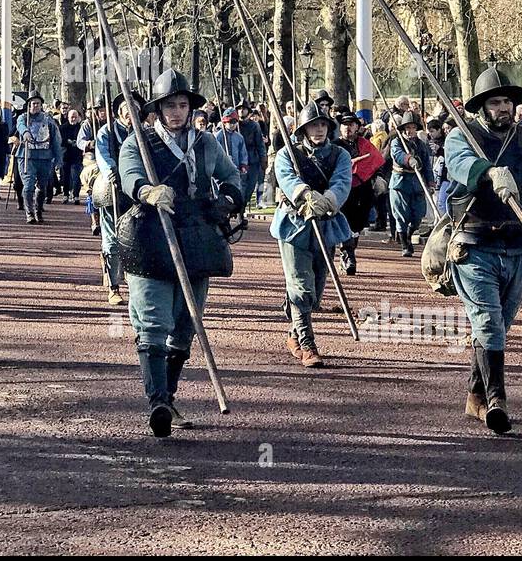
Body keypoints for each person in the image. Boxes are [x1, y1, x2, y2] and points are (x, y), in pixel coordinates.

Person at [118, 69, 244, 436]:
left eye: (183, 104)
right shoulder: (137, 142)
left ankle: (169, 396)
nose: (177, 111)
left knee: (185, 326)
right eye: (170, 105)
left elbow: (233, 178)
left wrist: (226, 201)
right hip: (151, 238)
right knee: (154, 321)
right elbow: (129, 175)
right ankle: (156, 400)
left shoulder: (206, 144)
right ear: (157, 109)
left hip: (196, 238)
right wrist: (147, 190)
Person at [443, 68, 522, 435]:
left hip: (518, 245)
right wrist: (488, 173)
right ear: (482, 107)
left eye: (507, 101)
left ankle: (475, 394)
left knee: (497, 326)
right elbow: (459, 166)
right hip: (474, 244)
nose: (503, 108)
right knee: (488, 322)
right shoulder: (462, 136)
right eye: (495, 102)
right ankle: (497, 401)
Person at [270, 103, 352, 367]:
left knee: (315, 292)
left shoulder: (339, 154)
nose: (318, 129)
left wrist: (327, 199)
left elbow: (342, 181)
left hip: (325, 226)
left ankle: (294, 326)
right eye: (313, 125)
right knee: (301, 287)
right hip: (294, 226)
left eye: (322, 124)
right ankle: (308, 345)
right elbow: (286, 177)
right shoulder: (288, 154)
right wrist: (305, 194)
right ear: (303, 129)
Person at [95, 91, 143, 305]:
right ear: (118, 112)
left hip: (136, 191)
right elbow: (102, 153)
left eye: (134, 109)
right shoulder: (107, 132)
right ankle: (114, 285)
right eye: (125, 109)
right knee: (113, 240)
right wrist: (111, 170)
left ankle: (136, 282)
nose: (129, 113)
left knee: (137, 238)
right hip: (112, 190)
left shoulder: (144, 132)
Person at [333, 110, 384, 274]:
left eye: (351, 124)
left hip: (362, 191)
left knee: (357, 225)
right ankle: (348, 255)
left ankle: (349, 252)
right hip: (342, 190)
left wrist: (378, 177)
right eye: (345, 124)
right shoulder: (334, 146)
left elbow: (375, 163)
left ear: (357, 127)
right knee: (345, 222)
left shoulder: (365, 145)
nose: (348, 128)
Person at [388, 112, 435, 258]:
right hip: (400, 183)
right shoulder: (397, 142)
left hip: (417, 182)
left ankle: (409, 234)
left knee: (418, 215)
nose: (410, 131)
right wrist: (408, 159)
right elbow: (397, 155)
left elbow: (427, 164)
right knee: (402, 215)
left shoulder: (421, 145)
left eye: (412, 127)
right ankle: (405, 245)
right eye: (407, 127)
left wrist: (431, 182)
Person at [14, 91, 62, 224]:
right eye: (33, 103)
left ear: (41, 105)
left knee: (42, 186)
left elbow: (56, 140)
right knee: (28, 186)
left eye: (38, 104)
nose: (35, 106)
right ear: (29, 105)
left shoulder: (48, 120)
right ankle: (29, 212)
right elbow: (20, 125)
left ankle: (38, 209)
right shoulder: (23, 117)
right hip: (27, 157)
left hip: (45, 157)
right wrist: (25, 132)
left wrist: (58, 159)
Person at [59, 107, 85, 203]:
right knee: (65, 176)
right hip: (66, 155)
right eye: (71, 117)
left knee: (76, 176)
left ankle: (76, 196)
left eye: (75, 117)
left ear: (78, 118)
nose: (73, 119)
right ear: (68, 117)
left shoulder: (81, 128)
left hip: (77, 155)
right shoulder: (62, 127)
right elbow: (59, 140)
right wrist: (67, 141)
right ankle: (65, 195)